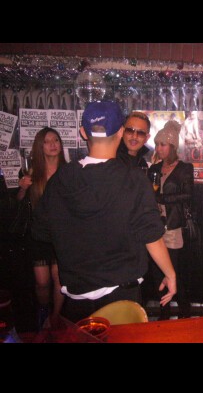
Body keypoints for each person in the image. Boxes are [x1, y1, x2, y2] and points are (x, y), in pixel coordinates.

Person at [31, 101, 176, 322]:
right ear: (120, 132)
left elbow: (41, 231)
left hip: (76, 301)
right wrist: (170, 274)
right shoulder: (134, 179)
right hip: (122, 299)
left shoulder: (61, 179)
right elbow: (151, 236)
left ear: (83, 132)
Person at [16, 127, 66, 328]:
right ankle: (43, 311)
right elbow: (20, 203)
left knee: (59, 279)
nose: (53, 144)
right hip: (38, 233)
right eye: (47, 141)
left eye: (56, 140)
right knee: (42, 282)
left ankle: (55, 317)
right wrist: (22, 188)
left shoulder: (69, 171)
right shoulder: (32, 172)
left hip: (61, 233)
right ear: (40, 146)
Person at [148, 120, 194, 319]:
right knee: (157, 273)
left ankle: (184, 311)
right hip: (155, 227)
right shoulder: (154, 168)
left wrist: (161, 198)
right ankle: (164, 313)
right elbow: (147, 194)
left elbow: (188, 195)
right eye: (157, 144)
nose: (158, 148)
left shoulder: (184, 168)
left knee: (174, 272)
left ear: (173, 146)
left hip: (173, 227)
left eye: (163, 144)